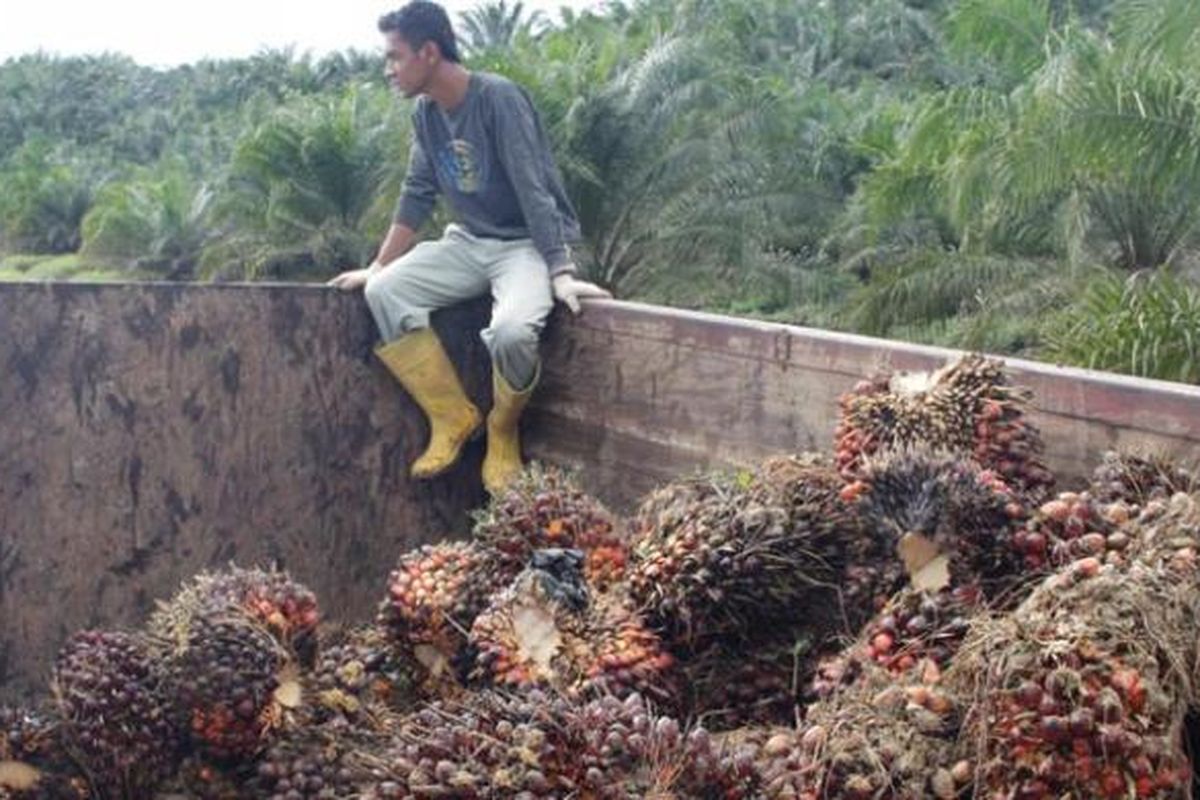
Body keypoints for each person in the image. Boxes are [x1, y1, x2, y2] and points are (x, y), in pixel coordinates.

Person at [329, 1, 610, 494]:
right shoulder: (427, 113)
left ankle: (503, 430)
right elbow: (417, 192)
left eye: (395, 57)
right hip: (470, 241)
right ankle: (453, 417)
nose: (388, 70)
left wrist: (560, 269)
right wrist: (377, 266)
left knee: (510, 333)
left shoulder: (497, 99)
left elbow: (533, 187)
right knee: (386, 292)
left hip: (524, 245)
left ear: (429, 52)